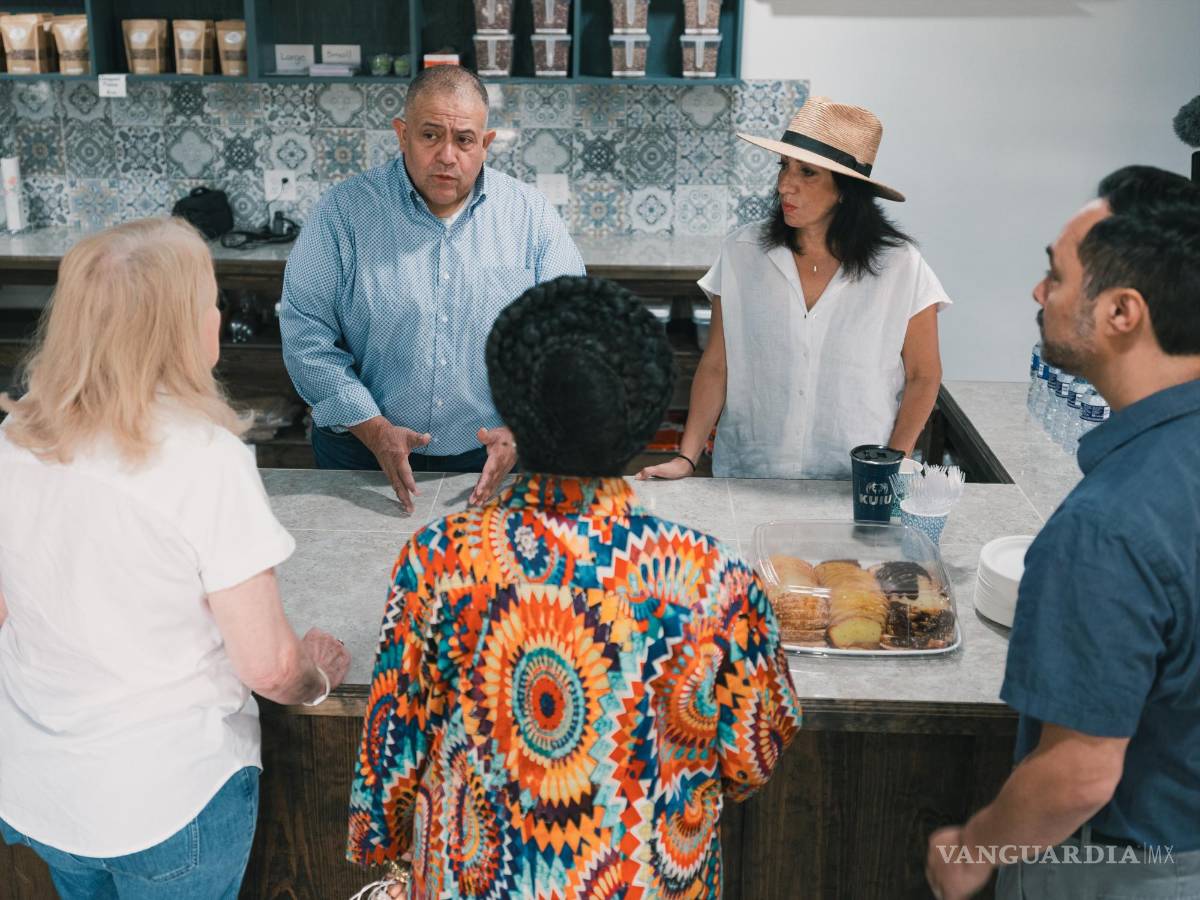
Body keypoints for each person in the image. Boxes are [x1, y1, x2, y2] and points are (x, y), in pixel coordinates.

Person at [346, 276, 801, 898]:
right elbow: (753, 755)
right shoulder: (714, 577)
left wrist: (388, 847)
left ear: (509, 415)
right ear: (648, 420)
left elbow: (392, 753)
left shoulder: (441, 559)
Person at [0, 217, 351, 899]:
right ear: (175, 327)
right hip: (165, 802)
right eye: (208, 300)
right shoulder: (202, 458)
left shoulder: (16, 436)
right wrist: (316, 681)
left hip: (42, 789)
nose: (217, 315)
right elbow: (271, 666)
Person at [925, 167, 1200, 900]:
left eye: (1055, 275)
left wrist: (972, 849)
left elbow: (1080, 772)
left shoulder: (1107, 525)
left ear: (1121, 312)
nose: (1037, 294)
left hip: (1129, 869)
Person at [280, 65, 585, 512]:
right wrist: (372, 427)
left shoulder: (531, 217)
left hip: (493, 461)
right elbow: (305, 333)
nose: (447, 155)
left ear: (485, 144)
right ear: (402, 134)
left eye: (463, 139)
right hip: (361, 455)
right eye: (429, 136)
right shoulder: (343, 214)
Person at [638, 95, 949, 481]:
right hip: (750, 473)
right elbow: (717, 365)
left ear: (845, 189)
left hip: (851, 482)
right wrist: (686, 457)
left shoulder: (901, 265)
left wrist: (889, 465)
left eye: (807, 173)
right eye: (784, 166)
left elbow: (924, 375)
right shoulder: (742, 253)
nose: (785, 184)